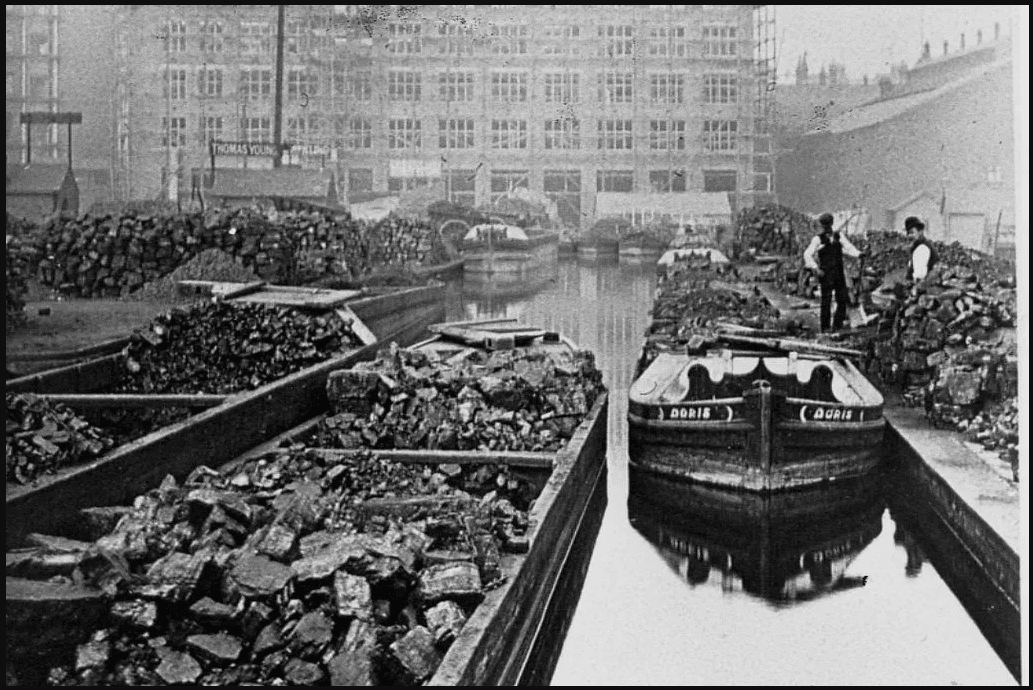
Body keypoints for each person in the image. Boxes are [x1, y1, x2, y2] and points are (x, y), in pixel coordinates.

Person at [803, 213, 863, 333]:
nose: (826, 227)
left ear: (831, 224)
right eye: (824, 225)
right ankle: (825, 327)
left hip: (838, 272)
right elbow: (807, 254)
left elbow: (848, 247)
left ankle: (837, 325)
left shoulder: (839, 236)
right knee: (826, 300)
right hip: (825, 274)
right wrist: (816, 268)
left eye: (827, 224)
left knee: (842, 299)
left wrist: (858, 254)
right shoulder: (817, 239)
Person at [904, 216, 938, 282]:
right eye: (908, 233)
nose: (909, 236)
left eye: (912, 232)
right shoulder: (920, 246)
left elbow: (919, 276)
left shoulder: (922, 248)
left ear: (920, 231)